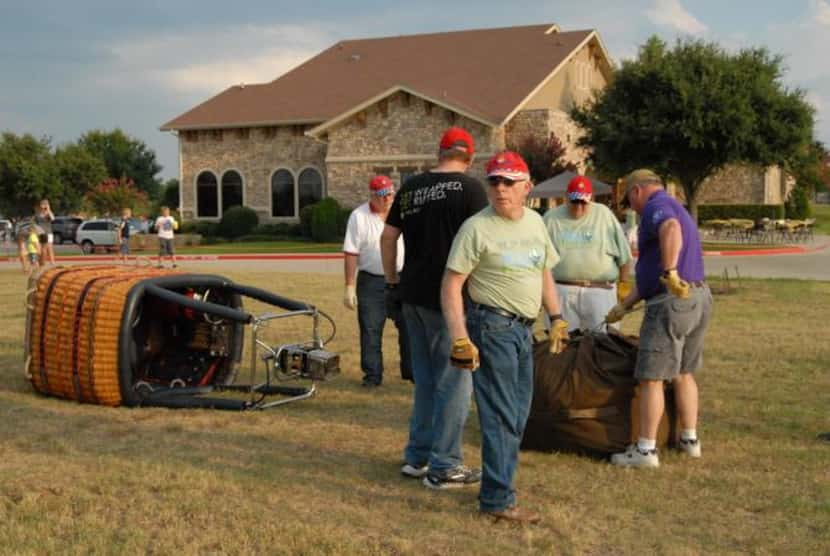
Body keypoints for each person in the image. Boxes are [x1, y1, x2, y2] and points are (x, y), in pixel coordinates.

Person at [441, 151, 567, 524]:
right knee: (499, 415)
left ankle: (500, 484)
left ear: (527, 187)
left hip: (523, 330)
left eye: (508, 182)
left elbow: (543, 271)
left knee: (518, 413)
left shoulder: (535, 223)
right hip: (491, 327)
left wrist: (556, 316)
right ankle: (497, 499)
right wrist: (460, 338)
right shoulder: (476, 228)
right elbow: (451, 285)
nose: (499, 188)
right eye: (493, 181)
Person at [381, 126, 487, 488]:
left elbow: (388, 236)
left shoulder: (411, 187)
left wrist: (391, 282)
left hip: (411, 293)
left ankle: (418, 456)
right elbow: (484, 239)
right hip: (450, 300)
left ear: (439, 153)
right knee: (456, 382)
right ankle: (445, 465)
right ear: (469, 157)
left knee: (426, 381)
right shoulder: (471, 190)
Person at [606, 169, 712, 468]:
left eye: (630, 199)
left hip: (670, 302)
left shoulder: (656, 206)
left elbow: (670, 229)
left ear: (638, 190)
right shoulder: (676, 202)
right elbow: (648, 274)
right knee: (683, 371)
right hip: (699, 297)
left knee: (651, 377)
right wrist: (624, 306)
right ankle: (690, 440)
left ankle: (645, 450)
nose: (632, 206)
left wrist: (670, 272)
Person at [343, 175, 410, 387]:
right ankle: (372, 376)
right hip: (371, 281)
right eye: (383, 195)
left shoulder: (403, 213)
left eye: (391, 193)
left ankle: (411, 372)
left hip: (402, 278)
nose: (388, 198)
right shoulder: (358, 216)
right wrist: (349, 286)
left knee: (409, 327)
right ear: (372, 196)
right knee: (371, 329)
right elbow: (351, 252)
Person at [543, 176, 632, 332]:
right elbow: (540, 261)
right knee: (564, 346)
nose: (578, 207)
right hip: (562, 291)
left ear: (590, 199)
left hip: (600, 292)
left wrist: (623, 284)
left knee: (605, 343)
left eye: (583, 202)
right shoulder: (551, 218)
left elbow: (624, 255)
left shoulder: (604, 214)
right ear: (566, 197)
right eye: (574, 201)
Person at [34, 199, 55, 266]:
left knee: (50, 248)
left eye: (45, 204)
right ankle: (43, 262)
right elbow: (35, 224)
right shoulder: (38, 214)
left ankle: (52, 262)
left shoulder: (48, 213)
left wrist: (49, 210)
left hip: (49, 233)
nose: (44, 205)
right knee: (43, 248)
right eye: (42, 204)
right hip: (41, 233)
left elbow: (53, 218)